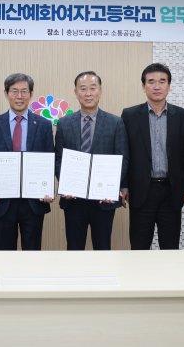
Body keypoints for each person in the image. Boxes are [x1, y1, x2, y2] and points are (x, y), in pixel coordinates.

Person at [121, 63, 184, 250]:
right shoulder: (129, 115)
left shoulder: (183, 116)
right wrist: (123, 185)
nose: (157, 86)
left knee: (170, 248)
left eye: (162, 81)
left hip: (172, 191)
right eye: (151, 81)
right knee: (139, 247)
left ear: (169, 86)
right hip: (141, 191)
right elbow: (124, 153)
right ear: (143, 86)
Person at [55, 71, 128, 250]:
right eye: (83, 89)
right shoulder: (64, 123)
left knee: (102, 248)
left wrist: (113, 187)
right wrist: (65, 185)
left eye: (92, 88)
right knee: (74, 248)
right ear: (76, 92)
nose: (88, 93)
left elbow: (122, 158)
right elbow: (59, 159)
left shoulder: (115, 123)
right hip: (73, 200)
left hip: (104, 199)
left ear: (100, 91)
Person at [0, 73, 54, 250]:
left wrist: (47, 187)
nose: (19, 96)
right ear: (6, 94)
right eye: (14, 91)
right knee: (4, 254)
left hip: (33, 201)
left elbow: (49, 159)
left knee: (32, 253)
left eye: (24, 91)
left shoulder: (44, 125)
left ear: (31, 94)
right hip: (2, 200)